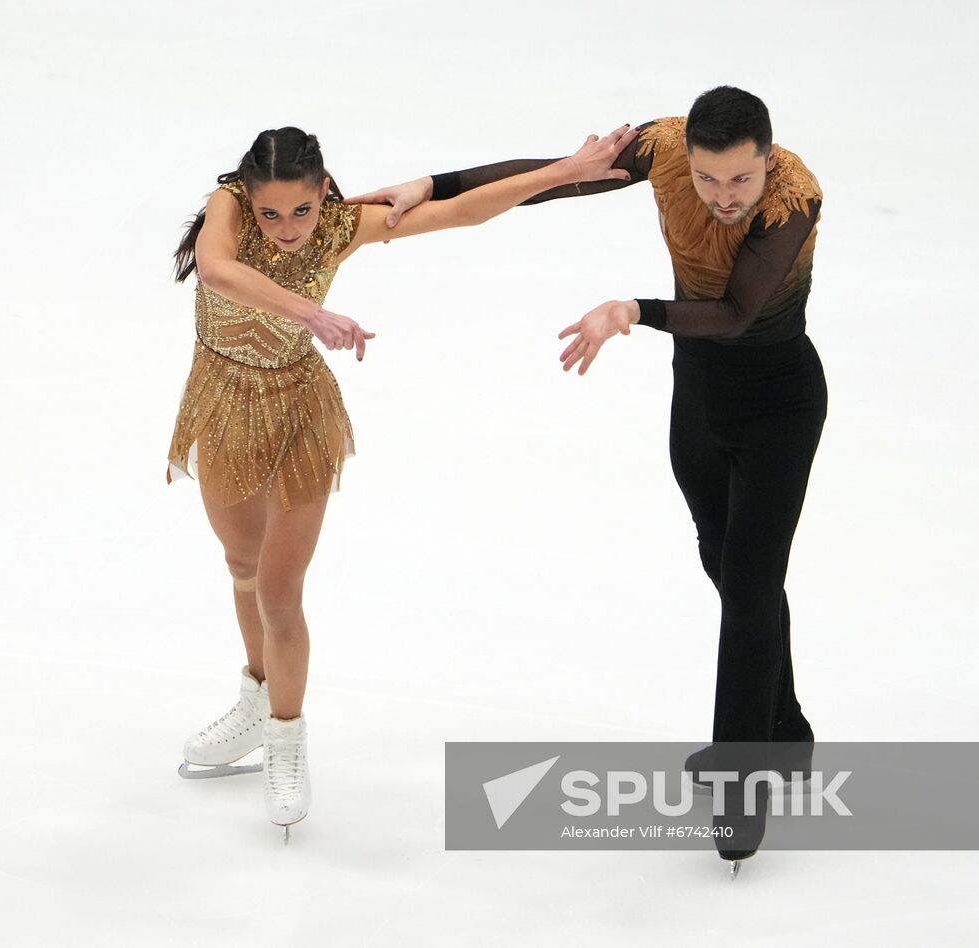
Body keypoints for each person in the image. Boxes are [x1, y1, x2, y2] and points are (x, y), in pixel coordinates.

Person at [347, 86, 826, 871]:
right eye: (708, 182)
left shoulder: (794, 198)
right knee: (729, 566)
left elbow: (738, 312)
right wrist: (433, 187)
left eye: (739, 180)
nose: (723, 198)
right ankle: (784, 732)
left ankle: (742, 785)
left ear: (765, 161)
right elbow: (564, 173)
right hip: (700, 398)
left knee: (748, 581)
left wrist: (632, 309)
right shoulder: (666, 147)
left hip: (780, 404)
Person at [168, 124, 638, 840]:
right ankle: (258, 701)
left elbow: (462, 211)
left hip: (297, 409)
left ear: (324, 192)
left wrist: (561, 171)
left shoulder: (341, 226)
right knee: (240, 563)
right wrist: (312, 310)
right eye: (271, 214)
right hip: (222, 397)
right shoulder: (228, 204)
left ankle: (287, 740)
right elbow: (217, 271)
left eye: (301, 211)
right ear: (247, 198)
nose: (288, 229)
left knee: (278, 590)